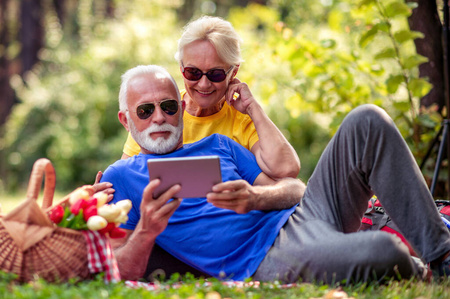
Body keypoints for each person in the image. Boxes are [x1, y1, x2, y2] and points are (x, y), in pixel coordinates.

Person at [102, 64, 450, 284]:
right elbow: (119, 269)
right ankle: (420, 270)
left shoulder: (219, 146)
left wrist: (255, 197)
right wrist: (147, 230)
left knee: (367, 120)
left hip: (304, 215)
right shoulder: (121, 177)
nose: (159, 117)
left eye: (167, 106)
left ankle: (443, 256)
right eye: (145, 110)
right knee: (382, 251)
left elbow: (295, 188)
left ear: (180, 108)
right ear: (126, 120)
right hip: (264, 257)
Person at [120, 15, 300, 180]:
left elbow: (286, 169)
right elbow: (128, 174)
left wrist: (253, 108)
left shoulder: (243, 118)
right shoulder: (162, 112)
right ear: (181, 68)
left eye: (215, 74)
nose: (204, 84)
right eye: (193, 72)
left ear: (234, 71)